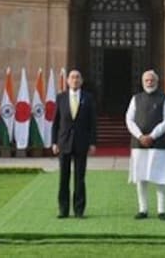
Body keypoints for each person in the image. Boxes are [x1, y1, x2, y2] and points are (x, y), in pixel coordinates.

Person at [126, 69, 165, 221]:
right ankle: (143, 209)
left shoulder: (164, 99)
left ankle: (162, 210)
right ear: (142, 82)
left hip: (158, 143)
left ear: (156, 82)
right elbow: (129, 119)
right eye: (146, 80)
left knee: (160, 177)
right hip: (139, 144)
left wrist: (152, 136)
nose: (149, 82)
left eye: (152, 80)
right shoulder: (136, 99)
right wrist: (140, 136)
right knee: (141, 178)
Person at [52, 69, 96, 218]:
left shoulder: (88, 98)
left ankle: (79, 210)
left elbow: (92, 122)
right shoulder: (61, 98)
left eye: (78, 77)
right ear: (67, 81)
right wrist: (54, 142)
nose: (75, 80)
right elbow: (56, 122)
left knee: (80, 178)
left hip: (81, 143)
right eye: (72, 77)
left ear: (81, 81)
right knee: (63, 178)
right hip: (64, 143)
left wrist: (92, 142)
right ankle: (63, 210)